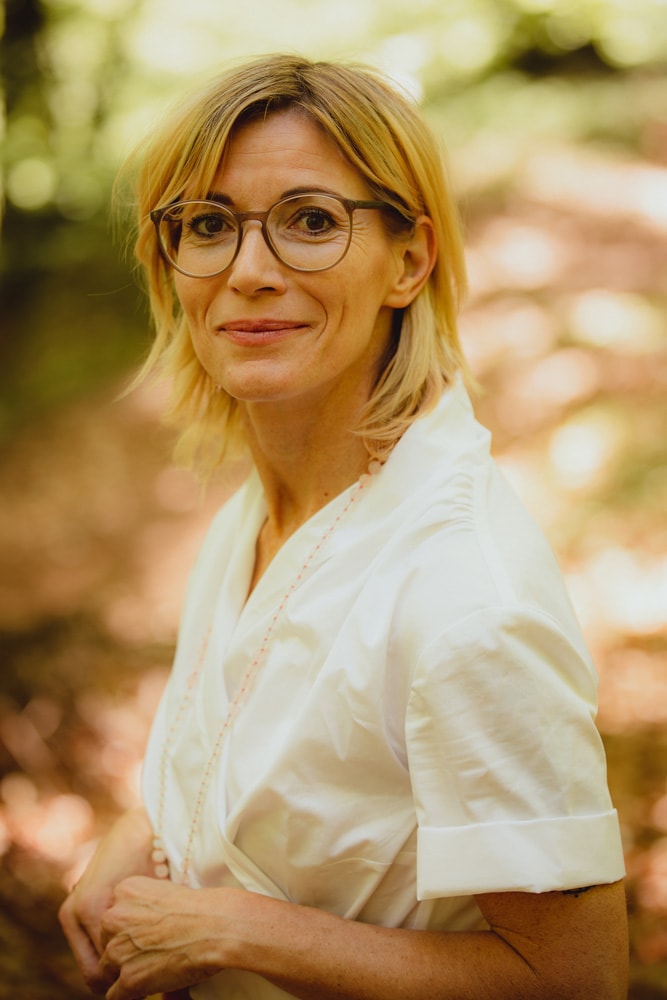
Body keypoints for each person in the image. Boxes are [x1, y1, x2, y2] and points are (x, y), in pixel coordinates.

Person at [59, 54, 628, 1000]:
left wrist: (245, 932)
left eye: (311, 222)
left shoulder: (461, 599)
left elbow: (575, 978)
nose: (247, 272)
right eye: (206, 225)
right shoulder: (259, 512)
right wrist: (150, 829)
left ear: (409, 261)